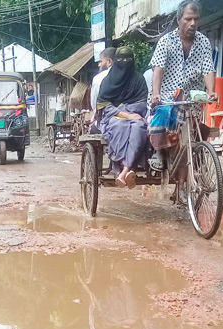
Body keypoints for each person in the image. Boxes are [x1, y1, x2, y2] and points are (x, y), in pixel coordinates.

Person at [98, 47, 150, 189]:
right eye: (121, 60)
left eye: (128, 59)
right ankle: (127, 168)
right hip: (113, 118)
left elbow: (143, 103)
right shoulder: (107, 81)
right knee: (120, 126)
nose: (124, 63)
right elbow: (104, 107)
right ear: (115, 61)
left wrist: (130, 112)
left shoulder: (139, 79)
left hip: (136, 116)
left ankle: (124, 171)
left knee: (139, 128)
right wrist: (125, 113)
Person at [149, 2, 216, 107]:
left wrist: (211, 91)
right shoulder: (166, 41)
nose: (193, 23)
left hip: (192, 104)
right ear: (178, 20)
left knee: (196, 123)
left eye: (196, 19)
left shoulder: (204, 42)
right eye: (188, 19)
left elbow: (208, 70)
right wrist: (156, 93)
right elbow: (158, 69)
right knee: (161, 122)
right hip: (166, 102)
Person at [90, 47, 116, 120]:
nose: (99, 65)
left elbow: (94, 104)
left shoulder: (98, 78)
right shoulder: (130, 75)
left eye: (101, 61)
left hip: (105, 119)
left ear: (109, 62)